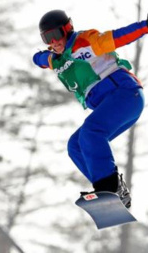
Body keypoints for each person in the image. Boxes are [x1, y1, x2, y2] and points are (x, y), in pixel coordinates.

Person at [33, 10, 148, 208]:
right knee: (76, 145)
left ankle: (110, 187)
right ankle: (111, 192)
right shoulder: (58, 59)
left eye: (56, 35)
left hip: (125, 94)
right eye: (47, 38)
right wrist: (44, 58)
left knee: (91, 132)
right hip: (113, 105)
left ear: (67, 29)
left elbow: (122, 36)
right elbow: (38, 59)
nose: (54, 42)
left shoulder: (87, 41)